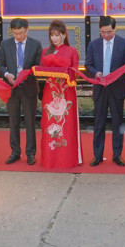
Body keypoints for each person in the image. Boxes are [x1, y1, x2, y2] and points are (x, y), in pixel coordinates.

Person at [84, 16, 125, 167]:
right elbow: (88, 64)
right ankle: (97, 155)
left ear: (115, 29)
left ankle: (117, 155)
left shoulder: (124, 44)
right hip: (100, 88)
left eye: (109, 32)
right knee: (99, 123)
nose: (106, 35)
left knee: (118, 123)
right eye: (103, 32)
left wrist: (116, 76)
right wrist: (95, 73)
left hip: (117, 88)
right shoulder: (94, 44)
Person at [0, 17, 43, 165]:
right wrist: (6, 74)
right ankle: (15, 152)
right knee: (13, 121)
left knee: (30, 122)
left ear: (27, 30)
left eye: (21, 33)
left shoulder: (36, 44)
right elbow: (1, 65)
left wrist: (27, 73)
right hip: (12, 88)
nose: (18, 36)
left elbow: (38, 66)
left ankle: (30, 153)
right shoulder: (5, 44)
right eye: (16, 33)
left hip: (28, 87)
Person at [39, 20, 82, 169]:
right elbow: (41, 69)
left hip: (66, 93)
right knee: (49, 124)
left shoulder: (71, 51)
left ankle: (66, 159)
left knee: (66, 125)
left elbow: (75, 73)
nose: (55, 38)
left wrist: (58, 64)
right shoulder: (45, 52)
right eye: (52, 35)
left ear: (64, 35)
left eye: (57, 35)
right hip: (50, 93)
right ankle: (50, 159)